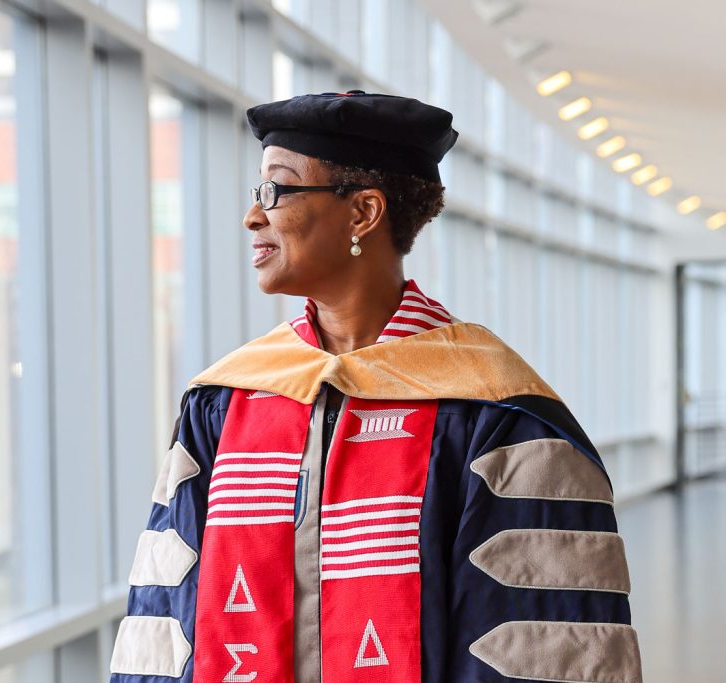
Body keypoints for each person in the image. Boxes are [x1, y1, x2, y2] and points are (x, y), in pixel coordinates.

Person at [110, 90, 642, 683]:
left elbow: (542, 642)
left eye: (276, 190)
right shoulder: (224, 400)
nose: (253, 216)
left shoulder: (493, 410)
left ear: (364, 212)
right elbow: (165, 622)